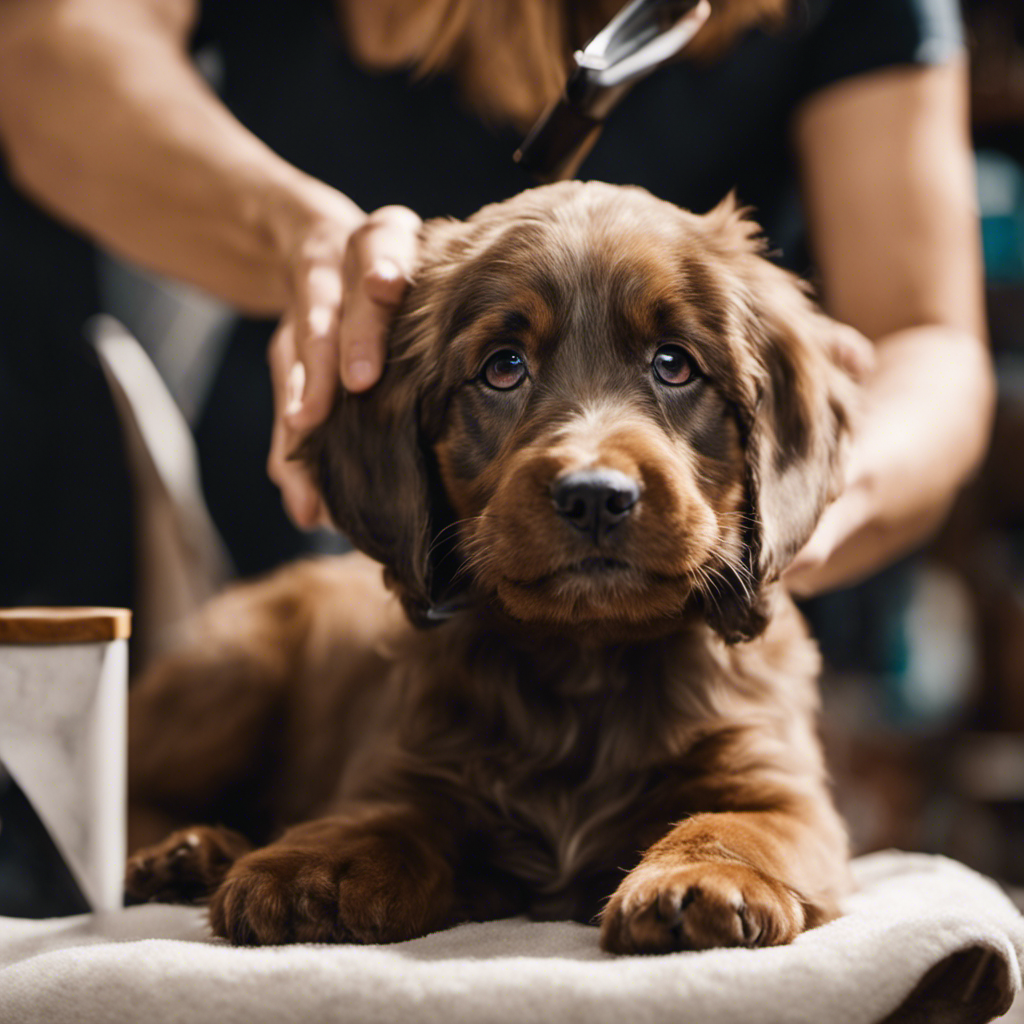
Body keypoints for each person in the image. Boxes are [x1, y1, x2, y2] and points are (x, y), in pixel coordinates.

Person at [0, 0, 992, 608]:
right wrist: (302, 242)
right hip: (336, 539)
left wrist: (809, 501)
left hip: (696, 585)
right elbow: (47, 58)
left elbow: (927, 338)